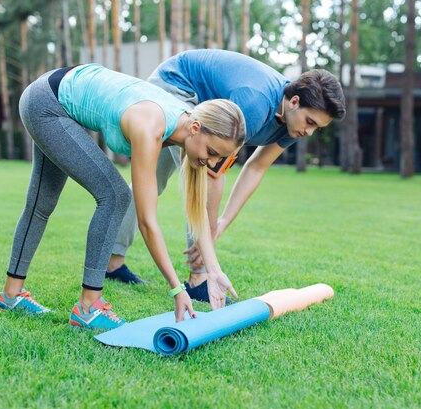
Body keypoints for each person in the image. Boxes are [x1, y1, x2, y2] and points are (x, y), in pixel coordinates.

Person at [0, 63, 246, 329]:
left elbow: (196, 214)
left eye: (220, 156)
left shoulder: (187, 129)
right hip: (47, 104)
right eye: (212, 151)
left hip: (52, 94)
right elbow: (148, 222)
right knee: (114, 195)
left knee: (41, 203)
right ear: (196, 128)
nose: (212, 162)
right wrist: (176, 288)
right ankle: (89, 307)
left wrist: (214, 271)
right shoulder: (150, 127)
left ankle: (11, 295)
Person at [107, 50, 346, 303]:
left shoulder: (292, 123)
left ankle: (112, 263)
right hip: (177, 86)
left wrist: (222, 222)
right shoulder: (256, 104)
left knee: (157, 181)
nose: (309, 132)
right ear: (294, 101)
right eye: (310, 122)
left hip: (198, 104)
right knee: (191, 173)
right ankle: (198, 278)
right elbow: (212, 173)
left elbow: (256, 167)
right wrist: (207, 238)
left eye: (316, 128)